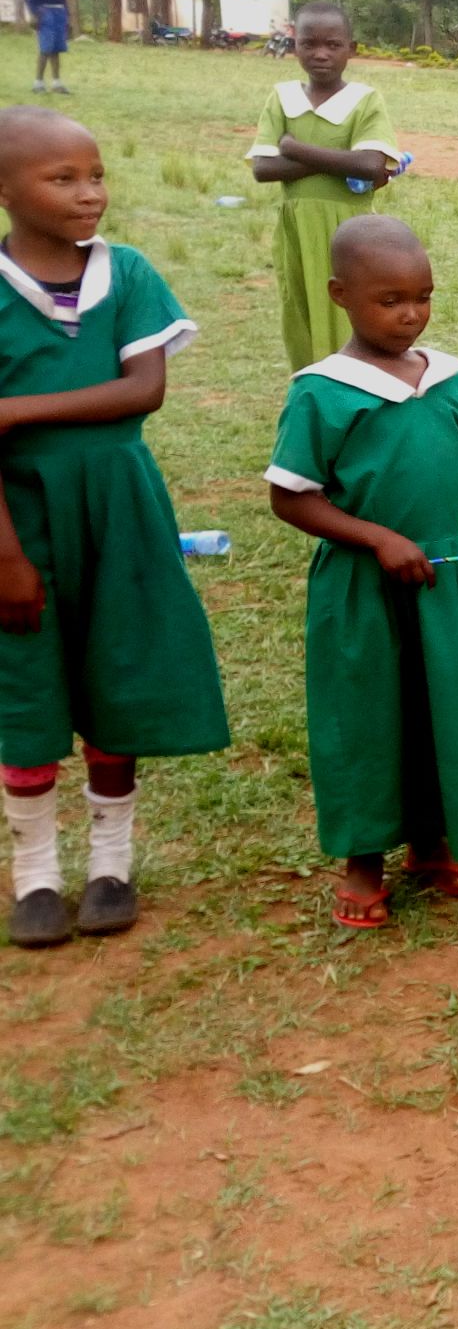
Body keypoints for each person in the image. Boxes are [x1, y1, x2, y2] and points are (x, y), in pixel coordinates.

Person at [0, 108, 227, 949]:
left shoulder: (124, 274)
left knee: (117, 671)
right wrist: (6, 554)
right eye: (62, 179)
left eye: (95, 175)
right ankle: (34, 874)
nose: (89, 193)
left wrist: (14, 409)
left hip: (120, 510)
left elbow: (143, 391)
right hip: (18, 522)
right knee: (26, 682)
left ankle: (109, 863)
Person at [267, 218, 458, 930]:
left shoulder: (447, 378)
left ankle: (434, 845)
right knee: (369, 717)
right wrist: (376, 538)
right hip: (363, 589)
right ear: (341, 295)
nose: (410, 314)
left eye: (423, 297)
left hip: (445, 577)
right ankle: (363, 862)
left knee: (448, 706)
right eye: (390, 299)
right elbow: (290, 497)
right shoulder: (321, 393)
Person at [247, 1, 403, 370]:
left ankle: (357, 385)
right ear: (294, 45)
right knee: (301, 307)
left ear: (351, 48)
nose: (320, 54)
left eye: (333, 45)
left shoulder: (365, 100)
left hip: (350, 228)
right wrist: (336, 158)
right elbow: (263, 169)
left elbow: (370, 165)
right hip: (296, 228)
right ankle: (312, 385)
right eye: (308, 44)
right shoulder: (282, 99)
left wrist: (294, 148)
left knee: (351, 308)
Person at [23, 0, 73, 95]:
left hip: (59, 12)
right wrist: (33, 13)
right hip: (43, 11)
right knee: (46, 48)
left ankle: (57, 83)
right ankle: (38, 83)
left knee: (57, 49)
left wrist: (68, 16)